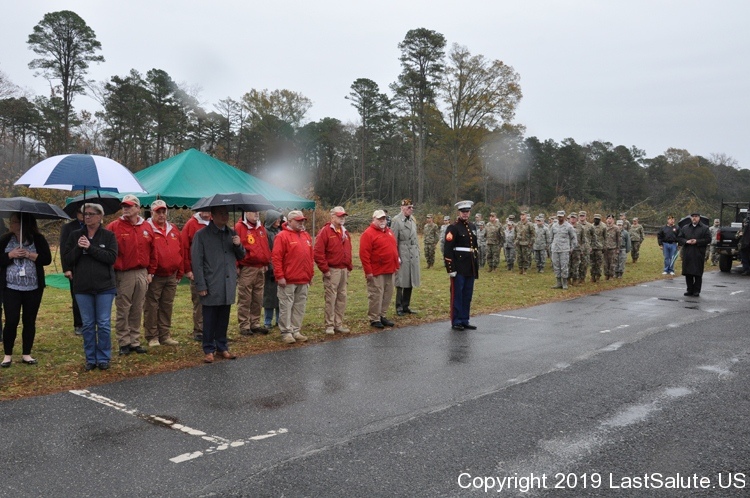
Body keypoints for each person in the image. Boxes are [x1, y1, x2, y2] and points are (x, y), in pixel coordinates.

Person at [63, 203, 118, 371]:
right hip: (82, 287)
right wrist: (78, 248)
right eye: (85, 214)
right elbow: (68, 259)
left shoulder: (108, 236)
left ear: (100, 216)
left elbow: (111, 258)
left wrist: (90, 247)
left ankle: (103, 358)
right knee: (87, 324)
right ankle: (90, 358)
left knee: (103, 323)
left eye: (91, 214)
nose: (87, 217)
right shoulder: (75, 235)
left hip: (105, 286)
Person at [192, 206, 245, 362]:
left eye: (226, 213)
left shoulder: (232, 233)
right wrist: (201, 285)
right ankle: (208, 349)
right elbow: (197, 262)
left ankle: (222, 347)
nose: (225, 216)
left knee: (223, 318)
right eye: (221, 213)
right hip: (211, 282)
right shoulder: (201, 235)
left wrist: (238, 245)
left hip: (227, 283)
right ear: (212, 215)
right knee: (209, 319)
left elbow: (242, 256)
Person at [0, 213, 52, 368]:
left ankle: (26, 354)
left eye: (15, 222)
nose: (11, 224)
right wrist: (10, 255)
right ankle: (7, 355)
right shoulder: (5, 239)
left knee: (29, 320)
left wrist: (29, 255)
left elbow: (46, 259)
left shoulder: (38, 239)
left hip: (33, 288)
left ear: (25, 224)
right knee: (11, 320)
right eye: (11, 221)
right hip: (10, 287)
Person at [107, 194, 154, 356]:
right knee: (123, 308)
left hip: (142, 272)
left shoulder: (147, 227)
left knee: (137, 308)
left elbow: (153, 251)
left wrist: (151, 272)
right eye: (124, 206)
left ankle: (135, 341)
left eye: (129, 206)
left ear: (138, 208)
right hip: (124, 273)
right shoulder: (114, 226)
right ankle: (124, 342)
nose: (125, 209)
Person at [144, 200, 183, 347]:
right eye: (158, 212)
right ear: (151, 213)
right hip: (155, 275)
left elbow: (180, 250)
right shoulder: (147, 228)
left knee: (167, 305)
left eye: (163, 212)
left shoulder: (173, 228)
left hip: (171, 274)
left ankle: (165, 335)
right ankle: (152, 336)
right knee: (151, 306)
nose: (161, 215)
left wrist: (180, 271)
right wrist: (149, 272)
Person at [272, 210, 314, 344]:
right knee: (286, 306)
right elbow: (276, 258)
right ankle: (286, 332)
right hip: (288, 279)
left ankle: (296, 330)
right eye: (298, 220)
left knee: (299, 306)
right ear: (289, 221)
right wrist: (280, 276)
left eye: (302, 220)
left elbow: (310, 256)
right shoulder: (282, 236)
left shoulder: (306, 235)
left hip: (303, 278)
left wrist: (310, 274)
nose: (301, 222)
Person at [314, 206, 353, 335]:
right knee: (331, 298)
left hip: (343, 269)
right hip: (332, 270)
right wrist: (325, 270)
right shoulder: (325, 231)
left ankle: (338, 324)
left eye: (343, 216)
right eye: (339, 216)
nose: (342, 218)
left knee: (342, 297)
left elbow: (349, 249)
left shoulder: (345, 232)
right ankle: (329, 325)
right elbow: (318, 253)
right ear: (332, 217)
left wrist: (349, 267)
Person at [359, 210, 399, 329]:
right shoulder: (368, 233)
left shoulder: (389, 231)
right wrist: (368, 271)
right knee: (376, 295)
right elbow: (364, 254)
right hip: (377, 271)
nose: (382, 221)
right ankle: (374, 318)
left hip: (390, 269)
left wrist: (396, 265)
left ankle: (382, 315)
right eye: (380, 219)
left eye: (384, 219)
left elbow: (394, 249)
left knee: (388, 294)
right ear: (374, 219)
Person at [235, 210, 272, 336]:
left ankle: (255, 323)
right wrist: (237, 265)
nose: (257, 214)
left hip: (260, 267)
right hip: (247, 267)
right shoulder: (239, 227)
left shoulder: (261, 228)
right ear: (246, 213)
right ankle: (244, 325)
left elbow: (265, 246)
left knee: (258, 297)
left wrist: (266, 262)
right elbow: (234, 248)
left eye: (257, 212)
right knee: (245, 297)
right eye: (253, 212)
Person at [444, 200, 479, 330]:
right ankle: (456, 320)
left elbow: (474, 247)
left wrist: (475, 265)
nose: (465, 214)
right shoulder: (453, 228)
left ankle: (465, 319)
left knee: (467, 294)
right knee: (457, 294)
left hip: (470, 265)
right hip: (458, 266)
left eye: (467, 211)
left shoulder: (472, 226)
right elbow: (448, 249)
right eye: (463, 212)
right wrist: (450, 268)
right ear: (459, 212)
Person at [181, 210, 211, 341]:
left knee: (213, 300)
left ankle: (211, 328)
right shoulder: (191, 224)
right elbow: (184, 247)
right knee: (199, 301)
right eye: (204, 210)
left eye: (209, 210)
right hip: (197, 269)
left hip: (212, 270)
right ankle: (199, 330)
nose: (207, 213)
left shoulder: (214, 222)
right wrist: (188, 269)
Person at [391, 199, 420, 316]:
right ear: (402, 208)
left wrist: (418, 251)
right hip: (402, 252)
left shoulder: (413, 219)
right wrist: (396, 256)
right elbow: (393, 241)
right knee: (401, 281)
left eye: (412, 207)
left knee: (410, 279)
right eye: (409, 207)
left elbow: (415, 238)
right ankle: (399, 306)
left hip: (412, 252)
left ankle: (406, 305)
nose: (411, 209)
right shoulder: (396, 220)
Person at [59, 209, 85, 335]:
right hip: (74, 266)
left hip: (90, 267)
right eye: (80, 212)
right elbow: (64, 248)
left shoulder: (93, 227)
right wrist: (67, 268)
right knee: (77, 296)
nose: (83, 215)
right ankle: (79, 324)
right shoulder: (68, 227)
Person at [678, 212, 711, 296]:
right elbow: (680, 238)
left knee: (697, 273)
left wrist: (697, 241)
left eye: (696, 216)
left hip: (698, 253)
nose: (694, 218)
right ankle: (689, 289)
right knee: (688, 273)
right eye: (692, 217)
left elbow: (708, 239)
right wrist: (686, 241)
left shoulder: (704, 228)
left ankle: (696, 290)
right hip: (687, 253)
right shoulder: (685, 227)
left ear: (699, 218)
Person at [263, 210, 283, 328]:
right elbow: (266, 249)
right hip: (270, 269)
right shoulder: (265, 232)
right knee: (269, 296)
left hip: (280, 267)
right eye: (277, 219)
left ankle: (279, 319)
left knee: (280, 296)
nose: (279, 221)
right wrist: (270, 265)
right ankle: (267, 320)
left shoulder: (280, 231)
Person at [550, 210, 577, 289]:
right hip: (555, 249)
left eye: (561, 217)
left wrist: (572, 248)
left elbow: (574, 238)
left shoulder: (569, 226)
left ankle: (565, 283)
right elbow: (551, 237)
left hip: (564, 250)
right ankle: (558, 282)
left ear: (564, 217)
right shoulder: (554, 226)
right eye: (559, 217)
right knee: (556, 266)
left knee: (564, 266)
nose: (560, 218)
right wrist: (550, 246)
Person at [603, 215, 621, 280]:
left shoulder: (616, 228)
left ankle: (611, 275)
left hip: (613, 248)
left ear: (613, 220)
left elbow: (618, 239)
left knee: (612, 263)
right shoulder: (604, 227)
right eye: (608, 218)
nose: (609, 220)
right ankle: (606, 275)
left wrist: (618, 248)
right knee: (605, 263)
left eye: (610, 219)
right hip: (605, 248)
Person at [590, 214, 606, 282]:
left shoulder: (603, 226)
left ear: (600, 220)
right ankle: (592, 276)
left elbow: (605, 237)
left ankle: (598, 276)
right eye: (595, 219)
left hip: (599, 247)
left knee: (599, 263)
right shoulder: (591, 226)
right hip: (592, 247)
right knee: (592, 263)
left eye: (598, 219)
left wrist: (604, 247)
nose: (596, 220)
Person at [568, 213, 583, 285]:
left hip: (577, 249)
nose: (573, 219)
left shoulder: (580, 227)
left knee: (576, 265)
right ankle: (567, 279)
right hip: (568, 248)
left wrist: (582, 249)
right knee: (567, 264)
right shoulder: (566, 226)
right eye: (571, 217)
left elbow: (583, 239)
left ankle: (575, 279)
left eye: (574, 218)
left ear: (577, 219)